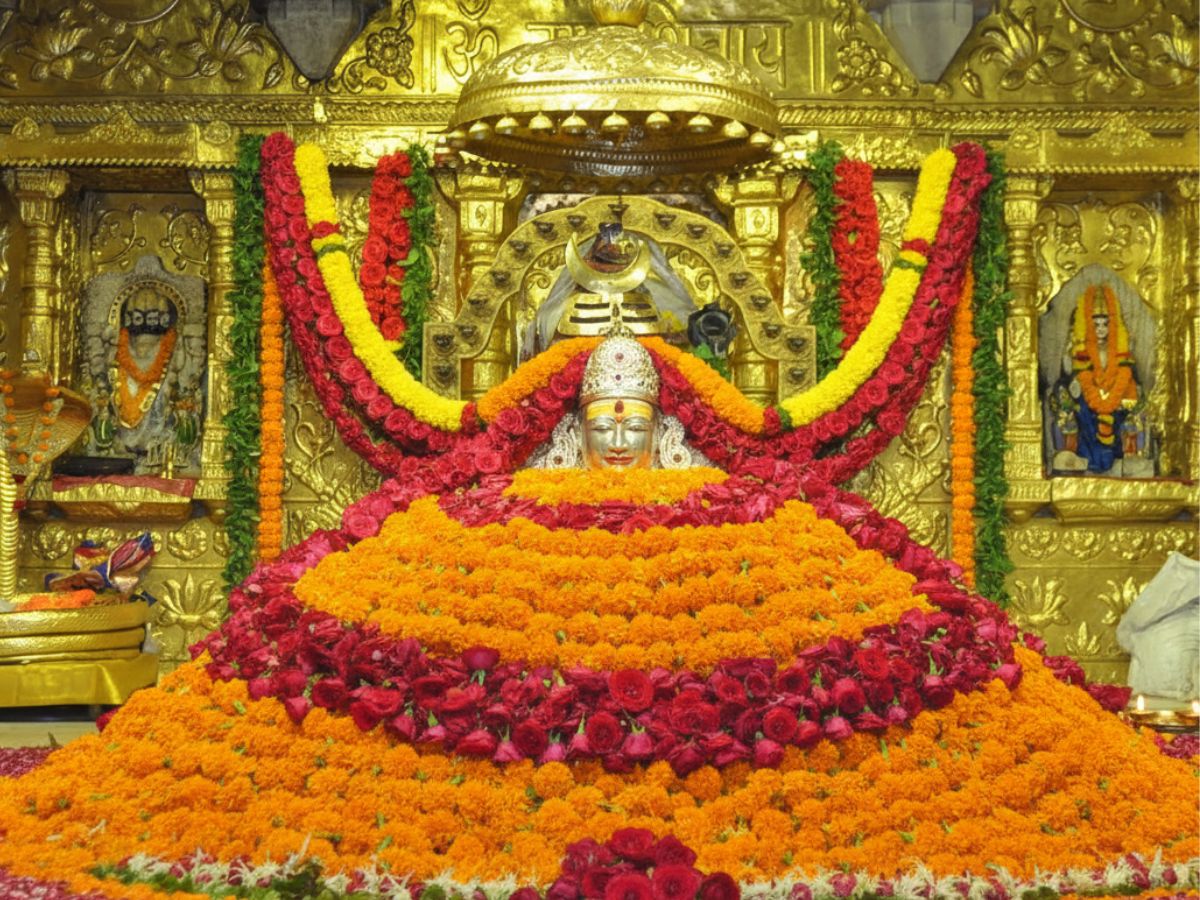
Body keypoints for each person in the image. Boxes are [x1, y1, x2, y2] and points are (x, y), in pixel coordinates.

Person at [1066, 284, 1138, 473]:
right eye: (1095, 324)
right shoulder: (1081, 348)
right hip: (1090, 400)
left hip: (1115, 396)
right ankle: (1090, 460)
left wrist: (1113, 393)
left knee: (1118, 412)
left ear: (1112, 325)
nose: (1100, 329)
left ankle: (1111, 457)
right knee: (1084, 411)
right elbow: (1077, 376)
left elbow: (1125, 374)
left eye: (1105, 324)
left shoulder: (1118, 349)